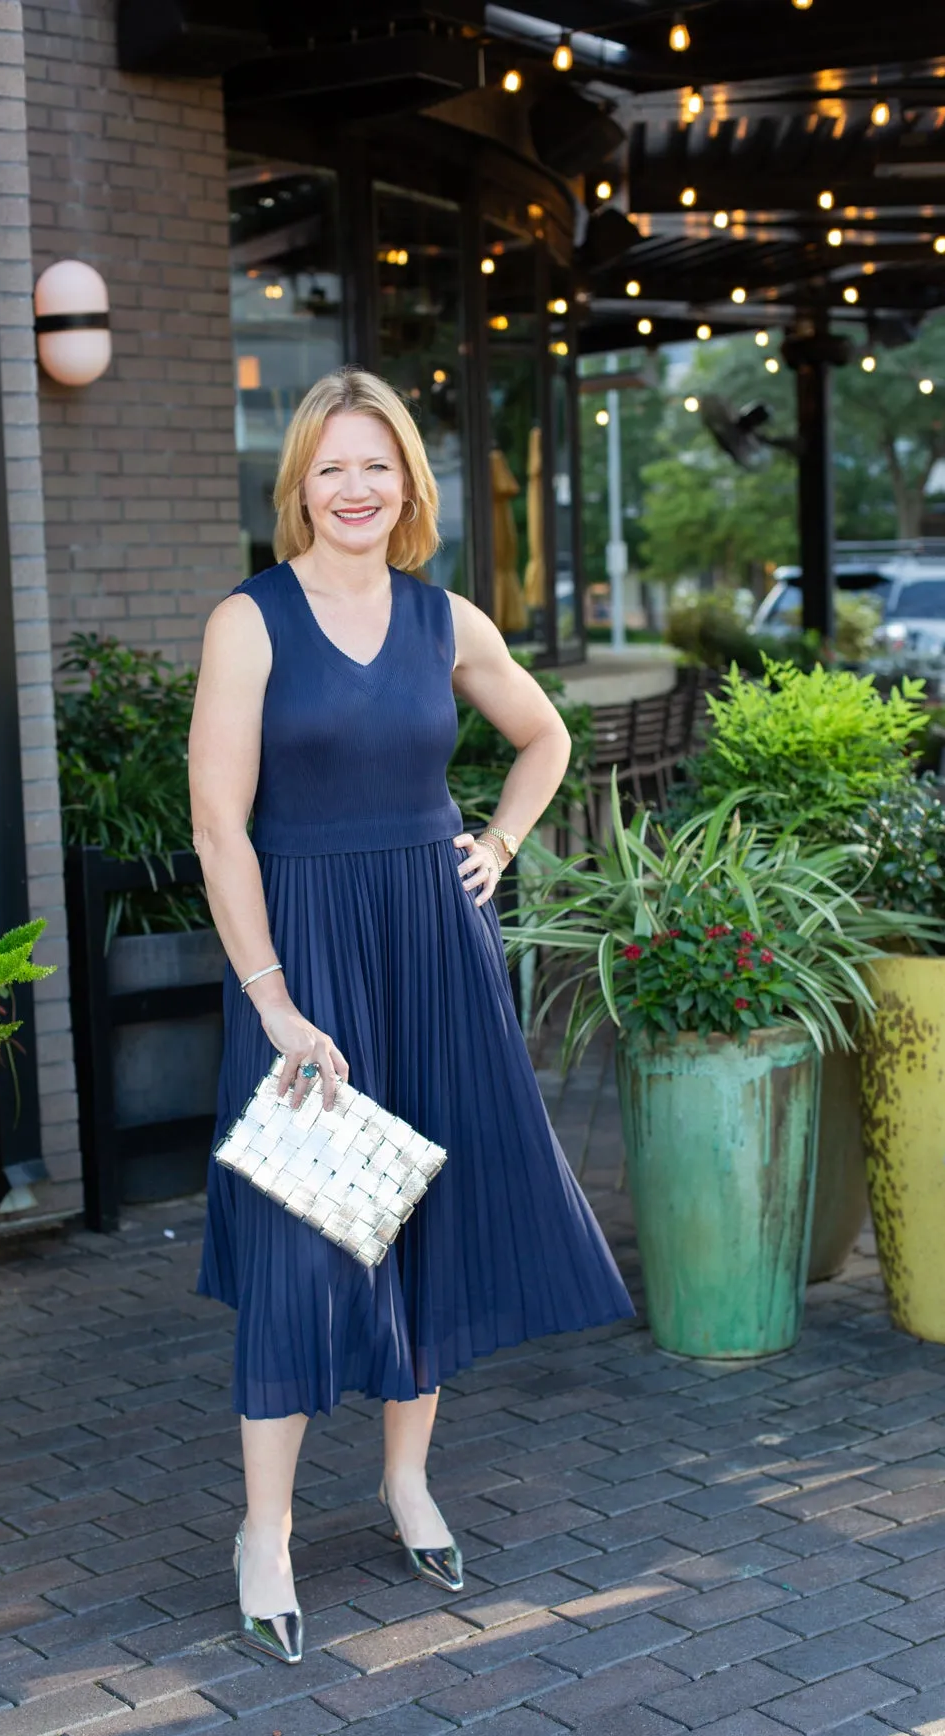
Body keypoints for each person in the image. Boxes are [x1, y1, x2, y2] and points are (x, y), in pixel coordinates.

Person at [189, 367, 632, 1664]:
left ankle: (405, 1484)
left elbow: (545, 739)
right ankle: (263, 1528)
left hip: (434, 947)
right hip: (307, 957)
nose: (355, 487)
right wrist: (270, 996)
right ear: (299, 488)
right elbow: (221, 824)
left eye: (376, 465)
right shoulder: (250, 620)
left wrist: (497, 838)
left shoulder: (447, 620)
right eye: (331, 466)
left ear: (410, 487)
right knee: (300, 1235)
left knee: (418, 1220)